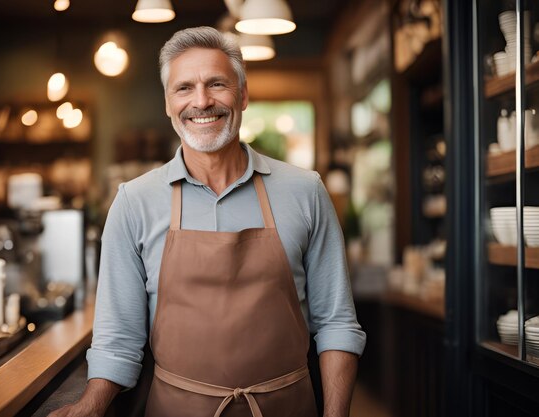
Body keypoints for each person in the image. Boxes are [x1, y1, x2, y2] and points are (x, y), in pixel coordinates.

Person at [50, 26, 365, 417]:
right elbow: (119, 338)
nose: (201, 101)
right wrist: (90, 407)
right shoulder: (134, 201)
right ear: (168, 103)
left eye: (217, 84)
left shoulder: (305, 191)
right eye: (184, 88)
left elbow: (336, 324)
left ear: (243, 95)